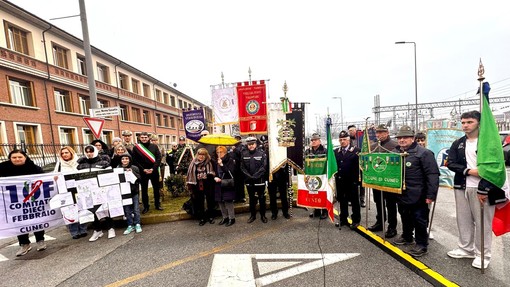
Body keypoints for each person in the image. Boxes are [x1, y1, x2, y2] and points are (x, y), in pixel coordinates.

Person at [446, 111, 495, 269]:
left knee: (483, 222)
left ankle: (483, 254)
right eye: (463, 122)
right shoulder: (458, 143)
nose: (465, 125)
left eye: (469, 122)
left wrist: (485, 188)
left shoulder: (488, 142)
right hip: (462, 185)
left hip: (482, 188)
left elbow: (495, 167)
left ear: (479, 123)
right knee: (464, 219)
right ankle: (465, 248)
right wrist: (468, 171)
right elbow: (450, 163)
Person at [392, 126, 439, 257]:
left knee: (419, 219)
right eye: (400, 138)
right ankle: (407, 237)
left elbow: (433, 175)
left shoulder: (424, 153)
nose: (402, 140)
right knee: (404, 215)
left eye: (405, 137)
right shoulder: (394, 153)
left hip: (419, 194)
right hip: (401, 193)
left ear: (412, 138)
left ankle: (421, 244)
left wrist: (431, 195)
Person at [0, 149, 46, 256]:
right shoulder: (2, 168)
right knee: (19, 222)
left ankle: (40, 240)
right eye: (14, 157)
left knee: (36, 220)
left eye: (20, 157)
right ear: (10, 159)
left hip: (33, 199)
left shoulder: (33, 167)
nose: (17, 159)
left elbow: (44, 178)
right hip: (12, 202)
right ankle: (24, 244)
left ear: (25, 158)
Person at [368, 124, 399, 238]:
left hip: (390, 181)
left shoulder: (395, 146)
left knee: (390, 204)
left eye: (381, 132)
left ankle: (392, 226)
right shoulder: (374, 146)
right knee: (378, 202)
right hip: (377, 180)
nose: (379, 135)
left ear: (387, 133)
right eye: (377, 133)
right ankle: (380, 222)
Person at [76, 145, 113, 242]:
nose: (89, 153)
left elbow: (110, 176)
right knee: (92, 211)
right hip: (87, 193)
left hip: (101, 191)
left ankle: (110, 228)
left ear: (95, 151)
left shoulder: (104, 163)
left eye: (91, 151)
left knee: (105, 209)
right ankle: (97, 230)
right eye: (87, 152)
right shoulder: (81, 165)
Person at [54, 146, 88, 239]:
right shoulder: (59, 165)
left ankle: (83, 229)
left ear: (71, 153)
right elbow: (54, 177)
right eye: (62, 153)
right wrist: (55, 178)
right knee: (69, 211)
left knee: (81, 208)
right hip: (66, 192)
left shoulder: (78, 163)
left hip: (79, 190)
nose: (64, 155)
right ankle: (74, 231)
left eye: (66, 152)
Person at [334, 131, 361, 229]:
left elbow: (360, 167)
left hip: (352, 181)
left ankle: (356, 220)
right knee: (342, 201)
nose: (342, 141)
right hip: (340, 181)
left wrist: (358, 181)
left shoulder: (356, 151)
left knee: (354, 202)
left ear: (349, 140)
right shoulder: (336, 152)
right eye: (341, 140)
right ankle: (343, 219)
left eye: (344, 139)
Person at [132, 132, 163, 214]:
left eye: (145, 137)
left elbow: (159, 158)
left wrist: (153, 168)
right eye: (142, 137)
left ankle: (157, 205)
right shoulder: (136, 148)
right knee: (144, 190)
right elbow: (135, 160)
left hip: (154, 171)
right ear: (139, 138)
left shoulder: (154, 146)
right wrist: (143, 169)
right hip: (143, 172)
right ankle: (146, 207)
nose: (144, 139)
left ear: (148, 138)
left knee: (156, 189)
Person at [241, 136, 268, 223]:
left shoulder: (262, 153)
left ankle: (263, 216)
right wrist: (249, 176)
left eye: (252, 144)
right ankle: (253, 216)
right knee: (252, 199)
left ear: (256, 144)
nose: (251, 146)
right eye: (249, 144)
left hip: (259, 180)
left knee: (261, 198)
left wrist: (255, 176)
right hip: (249, 180)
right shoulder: (244, 154)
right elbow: (242, 167)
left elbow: (264, 167)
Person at [186, 148, 216, 226]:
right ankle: (202, 218)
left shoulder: (210, 162)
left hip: (208, 184)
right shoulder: (193, 163)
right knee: (199, 201)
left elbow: (214, 173)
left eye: (203, 155)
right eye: (200, 154)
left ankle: (211, 216)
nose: (201, 156)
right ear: (197, 155)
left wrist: (207, 176)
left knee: (210, 201)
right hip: (197, 185)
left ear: (206, 155)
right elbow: (190, 174)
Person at [414, 131, 435, 240]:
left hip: (426, 188)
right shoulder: (411, 153)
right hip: (415, 188)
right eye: (418, 141)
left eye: (422, 140)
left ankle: (426, 228)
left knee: (426, 210)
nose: (421, 143)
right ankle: (415, 229)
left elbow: (432, 173)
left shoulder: (429, 153)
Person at [117, 153, 142, 235]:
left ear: (130, 160)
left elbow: (139, 179)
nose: (125, 160)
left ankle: (137, 223)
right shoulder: (118, 168)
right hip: (124, 193)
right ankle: (130, 225)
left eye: (126, 159)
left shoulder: (134, 168)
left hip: (134, 191)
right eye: (123, 159)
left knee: (136, 209)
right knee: (127, 210)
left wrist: (132, 173)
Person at [305, 133, 328, 219]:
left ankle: (325, 211)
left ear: (319, 141)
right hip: (312, 175)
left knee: (323, 193)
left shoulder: (325, 151)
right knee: (314, 193)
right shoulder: (308, 151)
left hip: (322, 175)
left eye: (315, 140)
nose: (313, 141)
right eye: (312, 140)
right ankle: (317, 210)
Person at [213, 146, 237, 226]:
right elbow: (215, 172)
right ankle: (225, 217)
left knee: (228, 201)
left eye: (221, 152)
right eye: (218, 152)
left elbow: (230, 173)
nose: (219, 154)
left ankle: (231, 218)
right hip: (218, 183)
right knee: (220, 201)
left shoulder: (230, 160)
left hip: (227, 183)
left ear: (225, 152)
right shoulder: (216, 161)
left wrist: (222, 164)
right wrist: (215, 177)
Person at [348, 124, 366, 208]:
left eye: (352, 130)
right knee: (352, 182)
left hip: (361, 161)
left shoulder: (361, 137)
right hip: (351, 163)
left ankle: (362, 199)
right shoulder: (348, 139)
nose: (351, 132)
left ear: (355, 130)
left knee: (362, 182)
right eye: (349, 131)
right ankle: (351, 198)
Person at [230, 135, 246, 202]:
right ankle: (236, 197)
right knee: (235, 183)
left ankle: (242, 197)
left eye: (237, 139)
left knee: (240, 183)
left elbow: (242, 154)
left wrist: (235, 149)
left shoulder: (242, 146)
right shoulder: (231, 146)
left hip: (240, 167)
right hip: (233, 168)